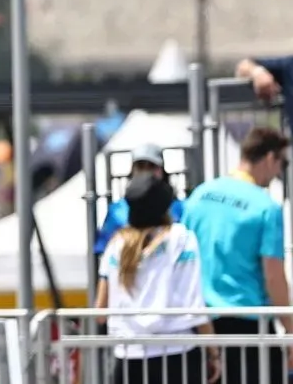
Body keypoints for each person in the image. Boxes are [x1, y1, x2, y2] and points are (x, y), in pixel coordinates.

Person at [181, 126, 293, 383]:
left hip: (200, 325)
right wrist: (290, 331)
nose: (279, 173)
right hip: (248, 328)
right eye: (282, 164)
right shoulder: (266, 208)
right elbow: (273, 276)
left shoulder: (199, 196)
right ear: (269, 158)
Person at [95, 172, 220, 384]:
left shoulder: (116, 244)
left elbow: (100, 312)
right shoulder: (181, 238)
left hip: (128, 355)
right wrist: (214, 353)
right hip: (176, 353)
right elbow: (195, 306)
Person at [93, 143, 185, 257]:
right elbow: (104, 250)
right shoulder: (116, 211)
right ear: (132, 170)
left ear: (162, 170)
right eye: (141, 166)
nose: (146, 171)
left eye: (152, 166)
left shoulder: (180, 208)